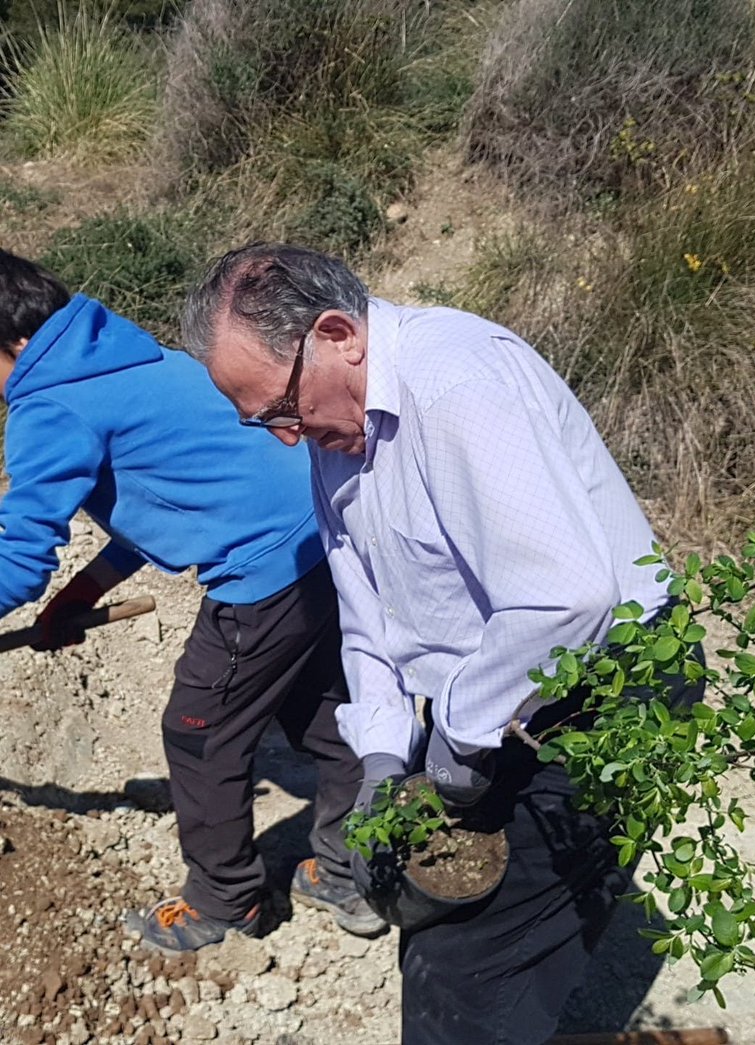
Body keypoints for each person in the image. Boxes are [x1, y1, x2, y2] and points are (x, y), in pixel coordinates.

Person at [181, 242, 701, 1044]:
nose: (288, 437)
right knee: (438, 921)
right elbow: (366, 615)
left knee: (468, 967)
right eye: (264, 423)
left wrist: (457, 736)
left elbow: (567, 597)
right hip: (503, 698)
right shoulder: (335, 437)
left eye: (283, 409)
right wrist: (386, 748)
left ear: (337, 334)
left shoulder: (456, 383)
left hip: (610, 687)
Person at [0, 250, 386, 953]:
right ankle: (352, 869)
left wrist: (43, 589)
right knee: (327, 717)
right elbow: (180, 504)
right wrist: (84, 592)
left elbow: (18, 561)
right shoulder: (121, 359)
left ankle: (226, 901)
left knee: (199, 734)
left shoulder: (48, 405)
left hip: (262, 573)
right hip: (321, 536)